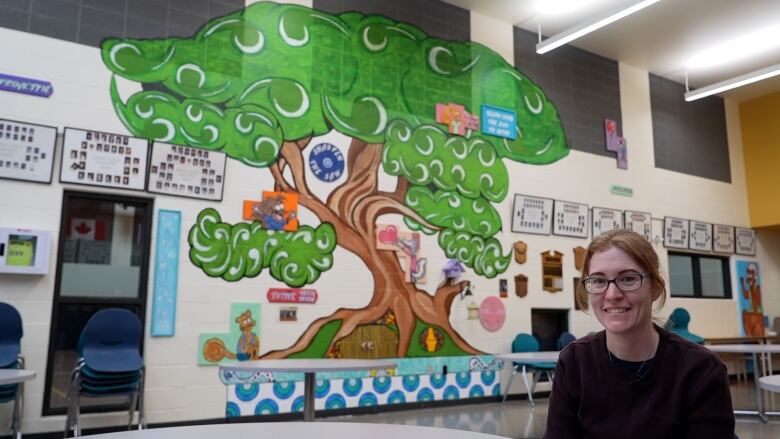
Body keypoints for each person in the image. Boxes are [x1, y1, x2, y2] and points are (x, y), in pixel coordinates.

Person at [544, 229, 734, 438]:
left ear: (656, 288)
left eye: (627, 279)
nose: (612, 294)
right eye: (598, 281)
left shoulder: (700, 371)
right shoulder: (574, 363)